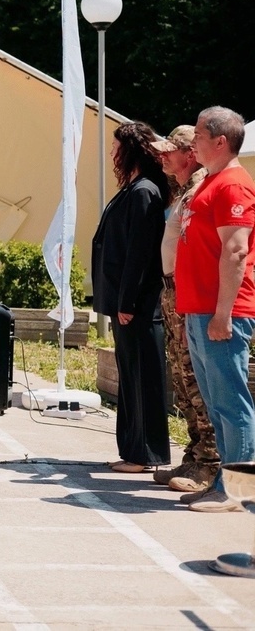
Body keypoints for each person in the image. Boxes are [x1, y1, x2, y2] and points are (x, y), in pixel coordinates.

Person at [174, 106, 255, 513]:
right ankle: (224, 483)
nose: (193, 144)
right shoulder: (212, 182)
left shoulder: (234, 186)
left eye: (200, 136)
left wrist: (223, 314)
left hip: (222, 312)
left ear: (220, 141)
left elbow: (237, 250)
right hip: (200, 310)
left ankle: (238, 492)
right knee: (216, 402)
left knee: (231, 402)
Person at [92, 122, 170, 473]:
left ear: (132, 150)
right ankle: (133, 451)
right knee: (131, 375)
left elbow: (140, 253)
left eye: (116, 147)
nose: (112, 153)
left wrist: (127, 302)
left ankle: (145, 455)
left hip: (136, 305)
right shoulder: (134, 188)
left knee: (142, 378)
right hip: (124, 302)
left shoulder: (144, 192)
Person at [151, 125, 219, 494]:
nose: (163, 157)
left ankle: (209, 463)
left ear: (190, 153)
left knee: (196, 381)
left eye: (170, 151)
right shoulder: (181, 191)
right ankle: (195, 454)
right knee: (182, 380)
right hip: (174, 292)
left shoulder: (200, 189)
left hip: (190, 294)